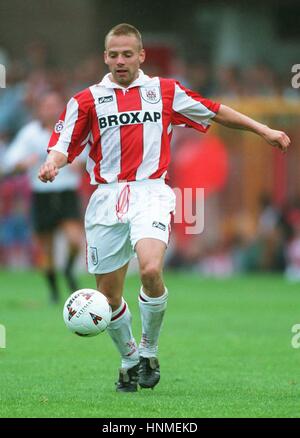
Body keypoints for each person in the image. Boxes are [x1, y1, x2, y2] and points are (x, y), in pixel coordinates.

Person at [38, 24, 290, 392]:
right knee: (108, 297)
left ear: (141, 56)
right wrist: (52, 164)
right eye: (113, 54)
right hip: (106, 198)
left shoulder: (164, 91)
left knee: (152, 269)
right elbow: (62, 144)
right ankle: (127, 359)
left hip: (150, 192)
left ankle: (149, 351)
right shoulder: (86, 100)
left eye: (128, 54)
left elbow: (215, 110)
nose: (120, 60)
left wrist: (263, 129)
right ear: (105, 57)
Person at [3, 91, 85, 303]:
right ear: (40, 109)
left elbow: (89, 155)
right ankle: (54, 293)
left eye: (55, 105)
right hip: (42, 194)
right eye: (46, 105)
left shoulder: (71, 130)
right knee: (46, 248)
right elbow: (10, 161)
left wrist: (81, 163)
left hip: (67, 193)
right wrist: (22, 164)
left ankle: (67, 270)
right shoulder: (30, 133)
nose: (51, 109)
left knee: (75, 240)